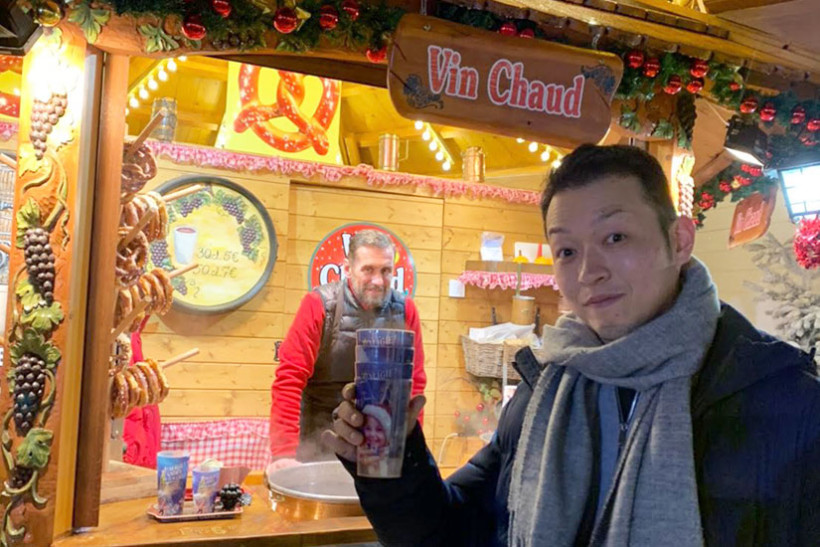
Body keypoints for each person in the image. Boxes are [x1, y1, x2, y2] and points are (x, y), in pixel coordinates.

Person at [324, 145, 820, 546]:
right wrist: (395, 465)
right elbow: (450, 533)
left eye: (616, 237)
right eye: (566, 250)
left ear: (680, 241)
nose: (588, 272)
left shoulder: (784, 400)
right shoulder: (546, 386)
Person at [269, 229, 426, 469]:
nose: (378, 280)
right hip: (319, 438)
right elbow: (289, 379)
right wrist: (284, 454)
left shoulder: (406, 310)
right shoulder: (319, 305)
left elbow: (414, 384)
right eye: (368, 269)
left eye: (385, 271)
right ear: (347, 268)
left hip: (380, 443)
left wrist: (413, 449)